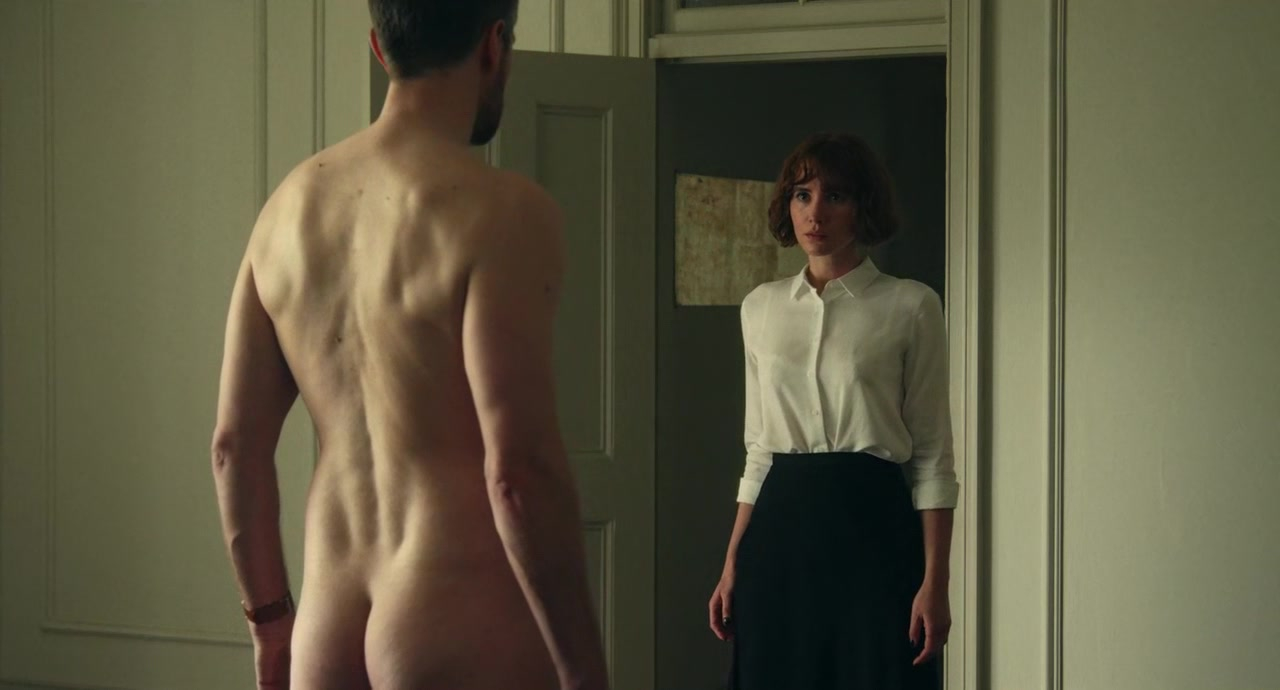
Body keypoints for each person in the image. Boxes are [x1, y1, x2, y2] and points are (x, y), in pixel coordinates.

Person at [210, 2, 609, 689]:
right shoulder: (503, 210)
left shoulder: (284, 212)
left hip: (326, 630)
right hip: (457, 617)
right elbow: (518, 474)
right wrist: (584, 672)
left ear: (379, 47)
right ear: (494, 45)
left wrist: (271, 626)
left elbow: (233, 449)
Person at [707, 132, 959, 689]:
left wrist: (935, 581)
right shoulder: (760, 307)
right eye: (802, 195)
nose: (815, 213)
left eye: (835, 196)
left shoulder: (911, 305)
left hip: (874, 532)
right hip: (779, 538)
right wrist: (732, 562)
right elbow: (759, 449)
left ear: (862, 206)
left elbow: (933, 458)